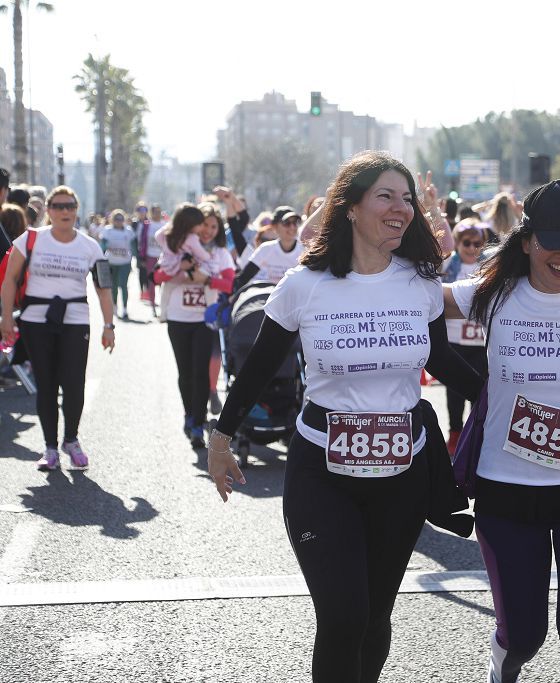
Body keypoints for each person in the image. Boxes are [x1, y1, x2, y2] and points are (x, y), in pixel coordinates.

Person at [208, 151, 480, 683]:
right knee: (343, 615)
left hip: (402, 476)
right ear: (351, 207)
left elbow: (444, 361)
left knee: (376, 616)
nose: (401, 208)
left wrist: (502, 401)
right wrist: (221, 436)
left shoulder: (420, 283)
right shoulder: (303, 285)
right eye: (386, 196)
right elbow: (261, 365)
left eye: (407, 199)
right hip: (321, 473)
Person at [443, 179, 560, 683]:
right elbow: (415, 301)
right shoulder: (493, 295)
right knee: (524, 633)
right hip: (507, 492)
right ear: (527, 241)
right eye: (554, 243)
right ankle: (501, 668)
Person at [0, 186, 115, 470]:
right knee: (47, 384)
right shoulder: (30, 239)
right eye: (59, 206)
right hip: (36, 321)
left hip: (75, 320)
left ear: (76, 209)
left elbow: (104, 288)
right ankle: (50, 448)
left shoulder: (90, 246)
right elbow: (10, 280)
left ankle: (71, 440)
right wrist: (6, 317)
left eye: (71, 206)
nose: (65, 211)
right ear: (49, 210)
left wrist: (109, 325)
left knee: (74, 384)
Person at [154, 203, 235, 447]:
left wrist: (207, 279)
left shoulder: (220, 253)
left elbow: (230, 285)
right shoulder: (176, 247)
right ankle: (189, 414)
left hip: (204, 320)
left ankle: (198, 424)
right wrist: (181, 270)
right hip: (178, 319)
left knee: (201, 373)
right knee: (185, 372)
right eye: (204, 225)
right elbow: (158, 276)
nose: (208, 231)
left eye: (213, 226)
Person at [439, 219, 488, 453]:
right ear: (458, 244)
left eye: (477, 243)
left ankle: (474, 434)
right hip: (454, 342)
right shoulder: (450, 266)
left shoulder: (491, 266)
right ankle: (455, 433)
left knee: (480, 392)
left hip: (480, 343)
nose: (471, 248)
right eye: (466, 243)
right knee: (455, 393)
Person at [233, 208, 303, 290]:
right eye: (286, 223)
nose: (292, 227)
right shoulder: (266, 249)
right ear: (275, 227)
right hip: (270, 297)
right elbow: (244, 277)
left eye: (295, 223)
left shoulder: (305, 251)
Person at [100, 209, 137, 321]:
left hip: (125, 262)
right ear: (112, 220)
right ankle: (114, 306)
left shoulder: (129, 231)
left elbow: (134, 246)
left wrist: (138, 260)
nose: (119, 221)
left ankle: (125, 309)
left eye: (121, 219)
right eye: (116, 219)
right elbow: (103, 245)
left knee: (124, 285)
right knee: (113, 285)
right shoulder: (107, 230)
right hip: (111, 262)